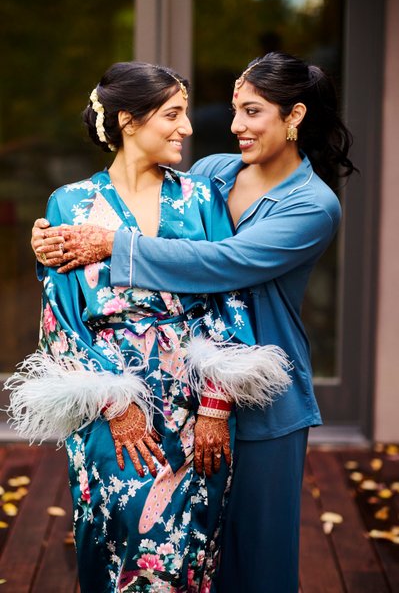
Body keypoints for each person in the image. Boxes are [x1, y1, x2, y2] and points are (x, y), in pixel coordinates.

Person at [31, 52, 356, 592]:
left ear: (293, 116)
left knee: (245, 557)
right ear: (128, 121)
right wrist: (47, 241)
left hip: (245, 393)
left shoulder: (310, 205)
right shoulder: (215, 173)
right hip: (122, 401)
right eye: (233, 110)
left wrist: (114, 244)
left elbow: (222, 267)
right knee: (118, 548)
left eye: (251, 112)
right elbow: (61, 310)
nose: (230, 127)